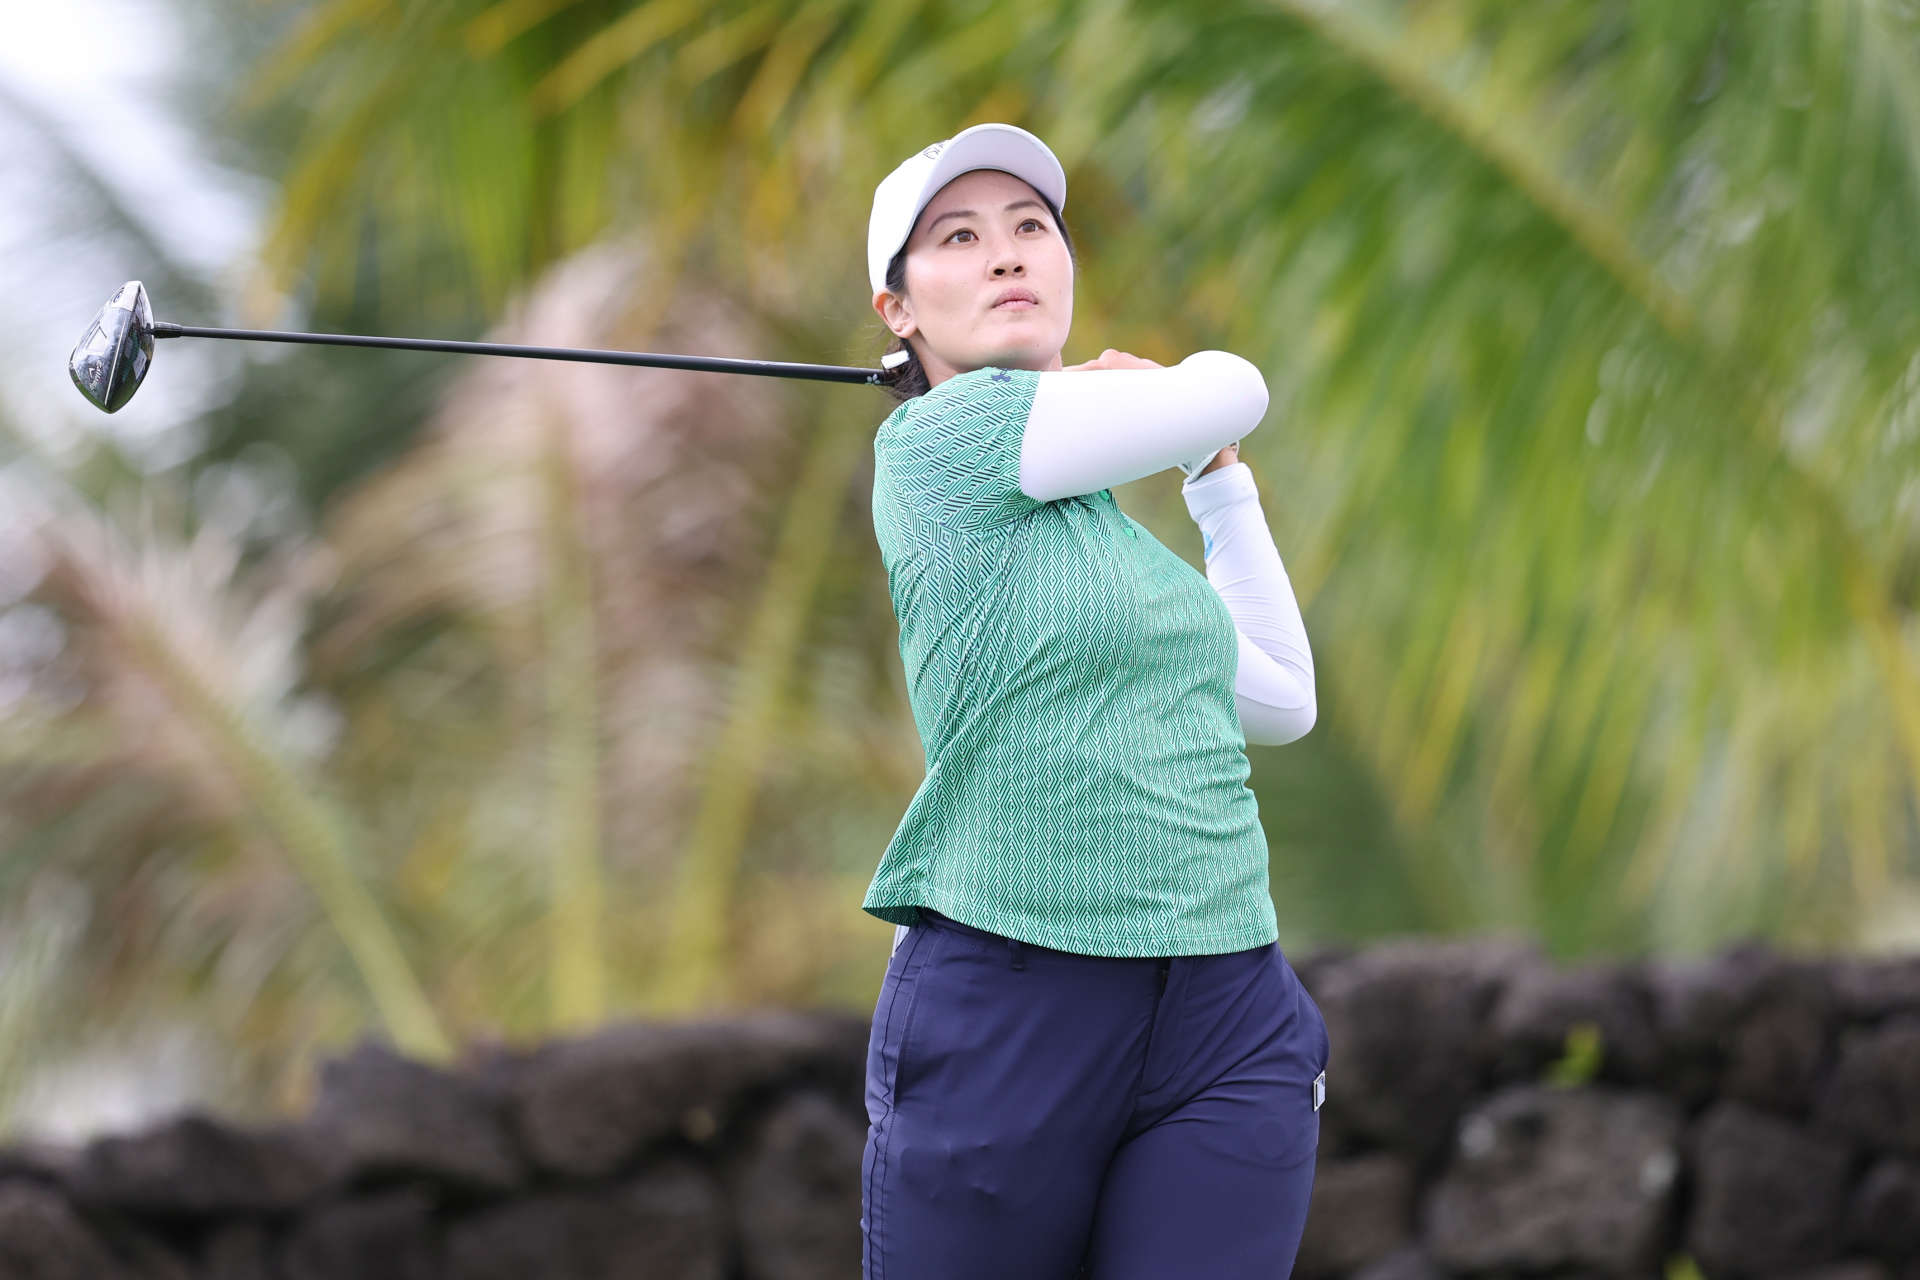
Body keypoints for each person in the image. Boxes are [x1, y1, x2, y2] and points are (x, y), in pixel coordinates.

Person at [858, 122, 1331, 1280]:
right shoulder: (940, 440)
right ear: (899, 312)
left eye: (1031, 229)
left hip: (1227, 1008)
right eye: (958, 238)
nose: (1008, 254)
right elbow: (1239, 380)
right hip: (1016, 1000)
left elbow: (1279, 697)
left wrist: (1217, 480)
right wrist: (1187, 402)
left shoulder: (1108, 547)